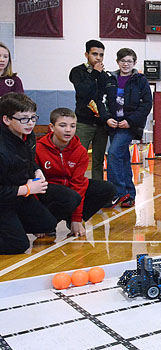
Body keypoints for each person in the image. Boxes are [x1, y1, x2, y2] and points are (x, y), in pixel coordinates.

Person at [36, 108, 116, 237]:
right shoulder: (38, 148)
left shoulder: (80, 151)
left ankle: (70, 220)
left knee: (107, 188)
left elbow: (78, 185)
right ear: (52, 127)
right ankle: (47, 223)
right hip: (48, 193)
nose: (68, 130)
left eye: (72, 126)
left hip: (70, 194)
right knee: (66, 196)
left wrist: (77, 219)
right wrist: (38, 221)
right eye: (63, 125)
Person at [0, 93, 56, 254]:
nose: (30, 123)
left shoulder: (28, 135)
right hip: (6, 198)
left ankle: (12, 225)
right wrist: (26, 189)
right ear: (7, 120)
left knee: (47, 224)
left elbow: (27, 159)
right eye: (24, 119)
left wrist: (36, 169)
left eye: (33, 118)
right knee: (18, 245)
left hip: (17, 196)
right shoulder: (2, 148)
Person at [104, 48, 152, 208]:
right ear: (118, 62)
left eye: (129, 61)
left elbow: (146, 104)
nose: (126, 64)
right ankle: (129, 194)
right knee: (123, 158)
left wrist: (130, 121)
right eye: (123, 61)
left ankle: (117, 193)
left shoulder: (140, 80)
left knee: (113, 154)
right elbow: (103, 101)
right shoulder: (110, 79)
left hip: (129, 125)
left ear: (134, 63)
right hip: (113, 124)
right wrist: (107, 118)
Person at [69, 39, 110, 182]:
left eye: (101, 55)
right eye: (94, 54)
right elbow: (83, 91)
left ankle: (99, 189)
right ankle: (75, 187)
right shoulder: (77, 71)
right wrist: (95, 74)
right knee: (78, 158)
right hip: (83, 123)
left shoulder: (104, 75)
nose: (98, 58)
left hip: (100, 124)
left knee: (98, 160)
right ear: (86, 54)